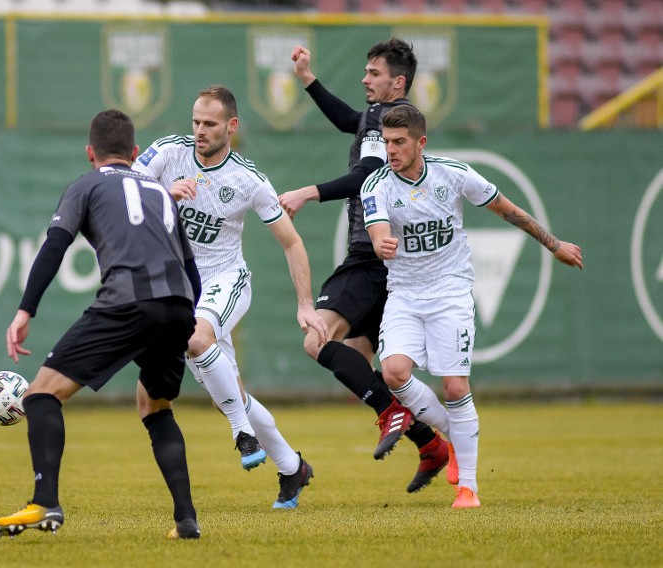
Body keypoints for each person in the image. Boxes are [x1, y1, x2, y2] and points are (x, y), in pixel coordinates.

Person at [0, 109, 203, 539]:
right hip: (179, 305)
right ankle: (186, 520)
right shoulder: (160, 191)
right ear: (136, 153)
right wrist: (187, 318)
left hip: (128, 301)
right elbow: (191, 268)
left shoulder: (85, 185)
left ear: (90, 153)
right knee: (156, 406)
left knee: (41, 395)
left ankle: (44, 502)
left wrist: (25, 310)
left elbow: (54, 247)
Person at [362, 104, 584, 508]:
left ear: (420, 143)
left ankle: (468, 488)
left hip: (450, 291)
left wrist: (554, 245)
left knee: (454, 387)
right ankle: (453, 435)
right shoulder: (376, 184)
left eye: (399, 143)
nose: (390, 150)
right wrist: (380, 243)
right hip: (405, 294)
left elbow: (506, 209)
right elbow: (377, 229)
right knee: (393, 374)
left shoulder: (454, 174)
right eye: (387, 142)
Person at [133, 85, 328, 509]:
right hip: (180, 288)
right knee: (231, 391)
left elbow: (292, 243)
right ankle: (292, 467)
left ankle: (241, 433)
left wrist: (304, 304)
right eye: (196, 122)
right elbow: (126, 194)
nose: (200, 131)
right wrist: (165, 195)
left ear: (231, 126)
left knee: (196, 340)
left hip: (225, 280)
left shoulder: (248, 179)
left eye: (210, 123)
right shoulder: (167, 152)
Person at [278, 38, 448, 493]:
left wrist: (306, 192)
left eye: (373, 73)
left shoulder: (383, 120)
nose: (364, 79)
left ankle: (396, 415)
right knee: (358, 362)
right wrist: (309, 81)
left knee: (317, 341)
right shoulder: (394, 121)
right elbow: (349, 122)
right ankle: (430, 444)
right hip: (393, 261)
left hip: (368, 255)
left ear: (398, 81)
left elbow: (365, 177)